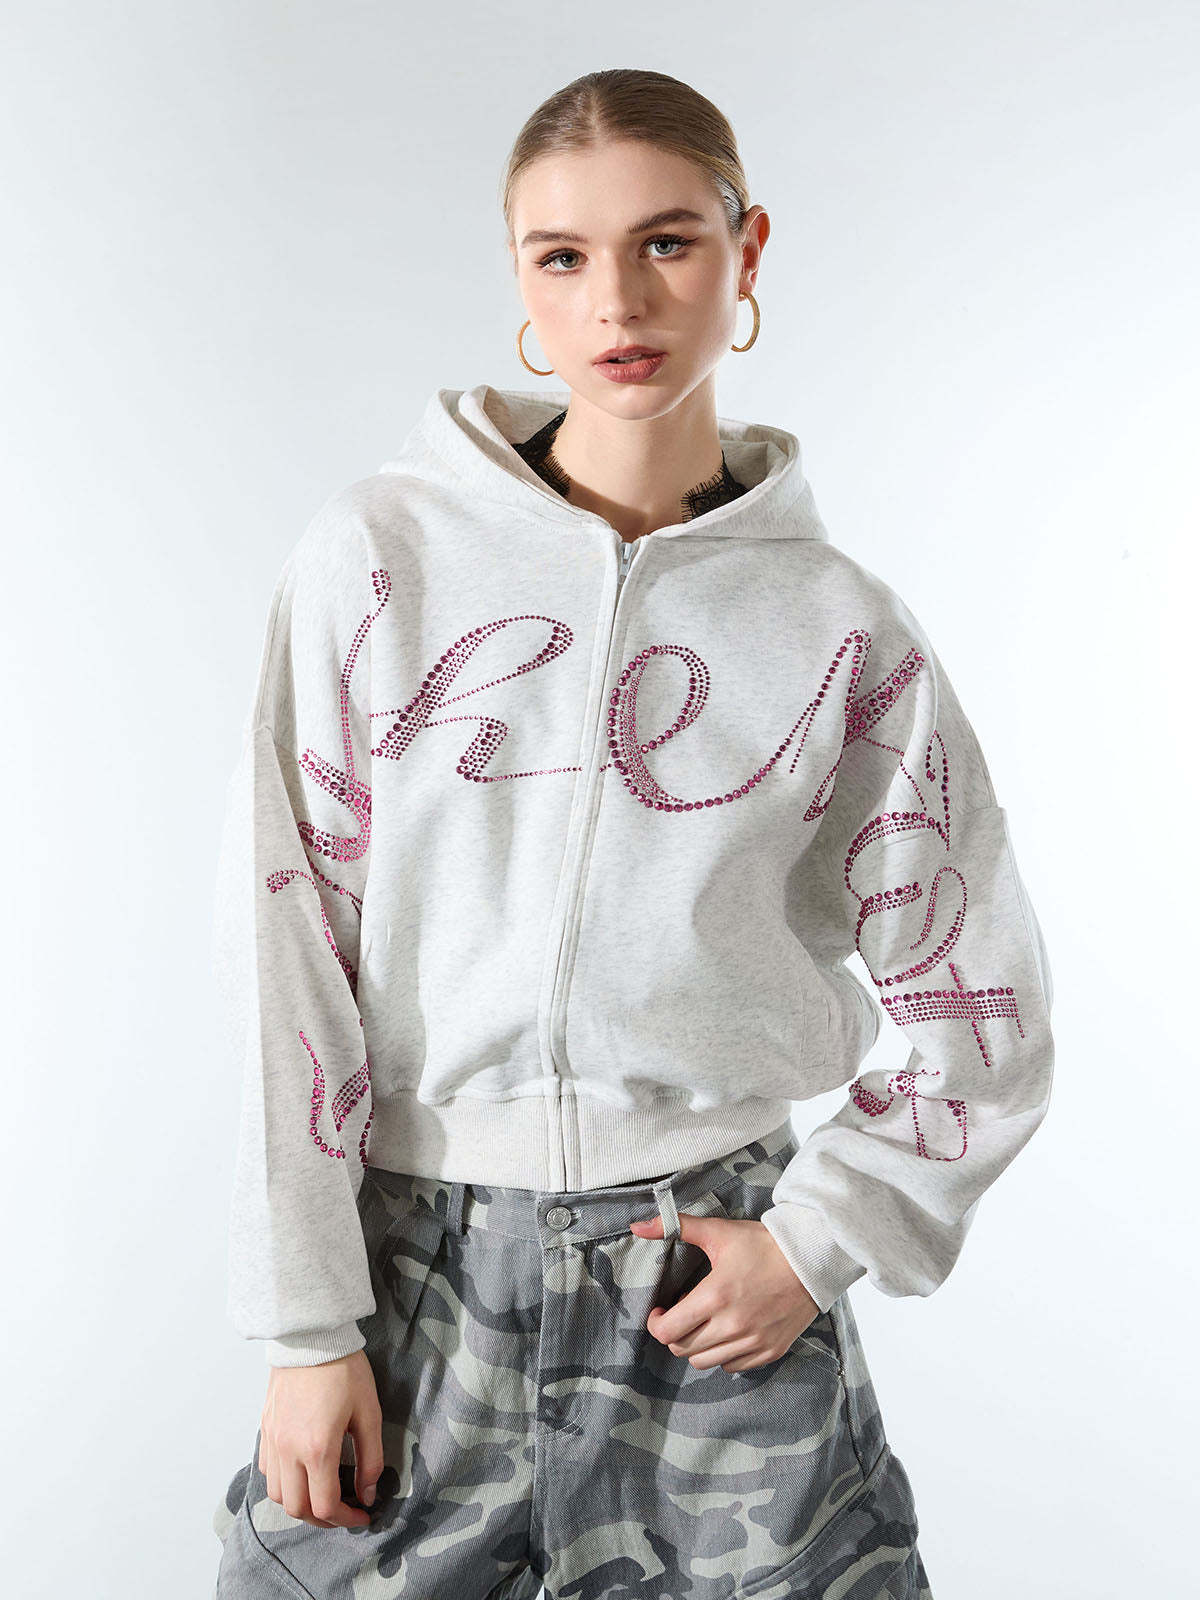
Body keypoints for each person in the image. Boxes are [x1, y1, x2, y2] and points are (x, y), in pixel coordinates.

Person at [211, 67, 1054, 1600]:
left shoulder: (838, 629)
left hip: (713, 1286)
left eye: (668, 242)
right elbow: (288, 955)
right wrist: (306, 1327)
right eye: (564, 255)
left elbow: (979, 1003)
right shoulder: (378, 561)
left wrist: (819, 1241)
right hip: (415, 1284)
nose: (617, 300)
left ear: (748, 251)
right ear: (520, 278)